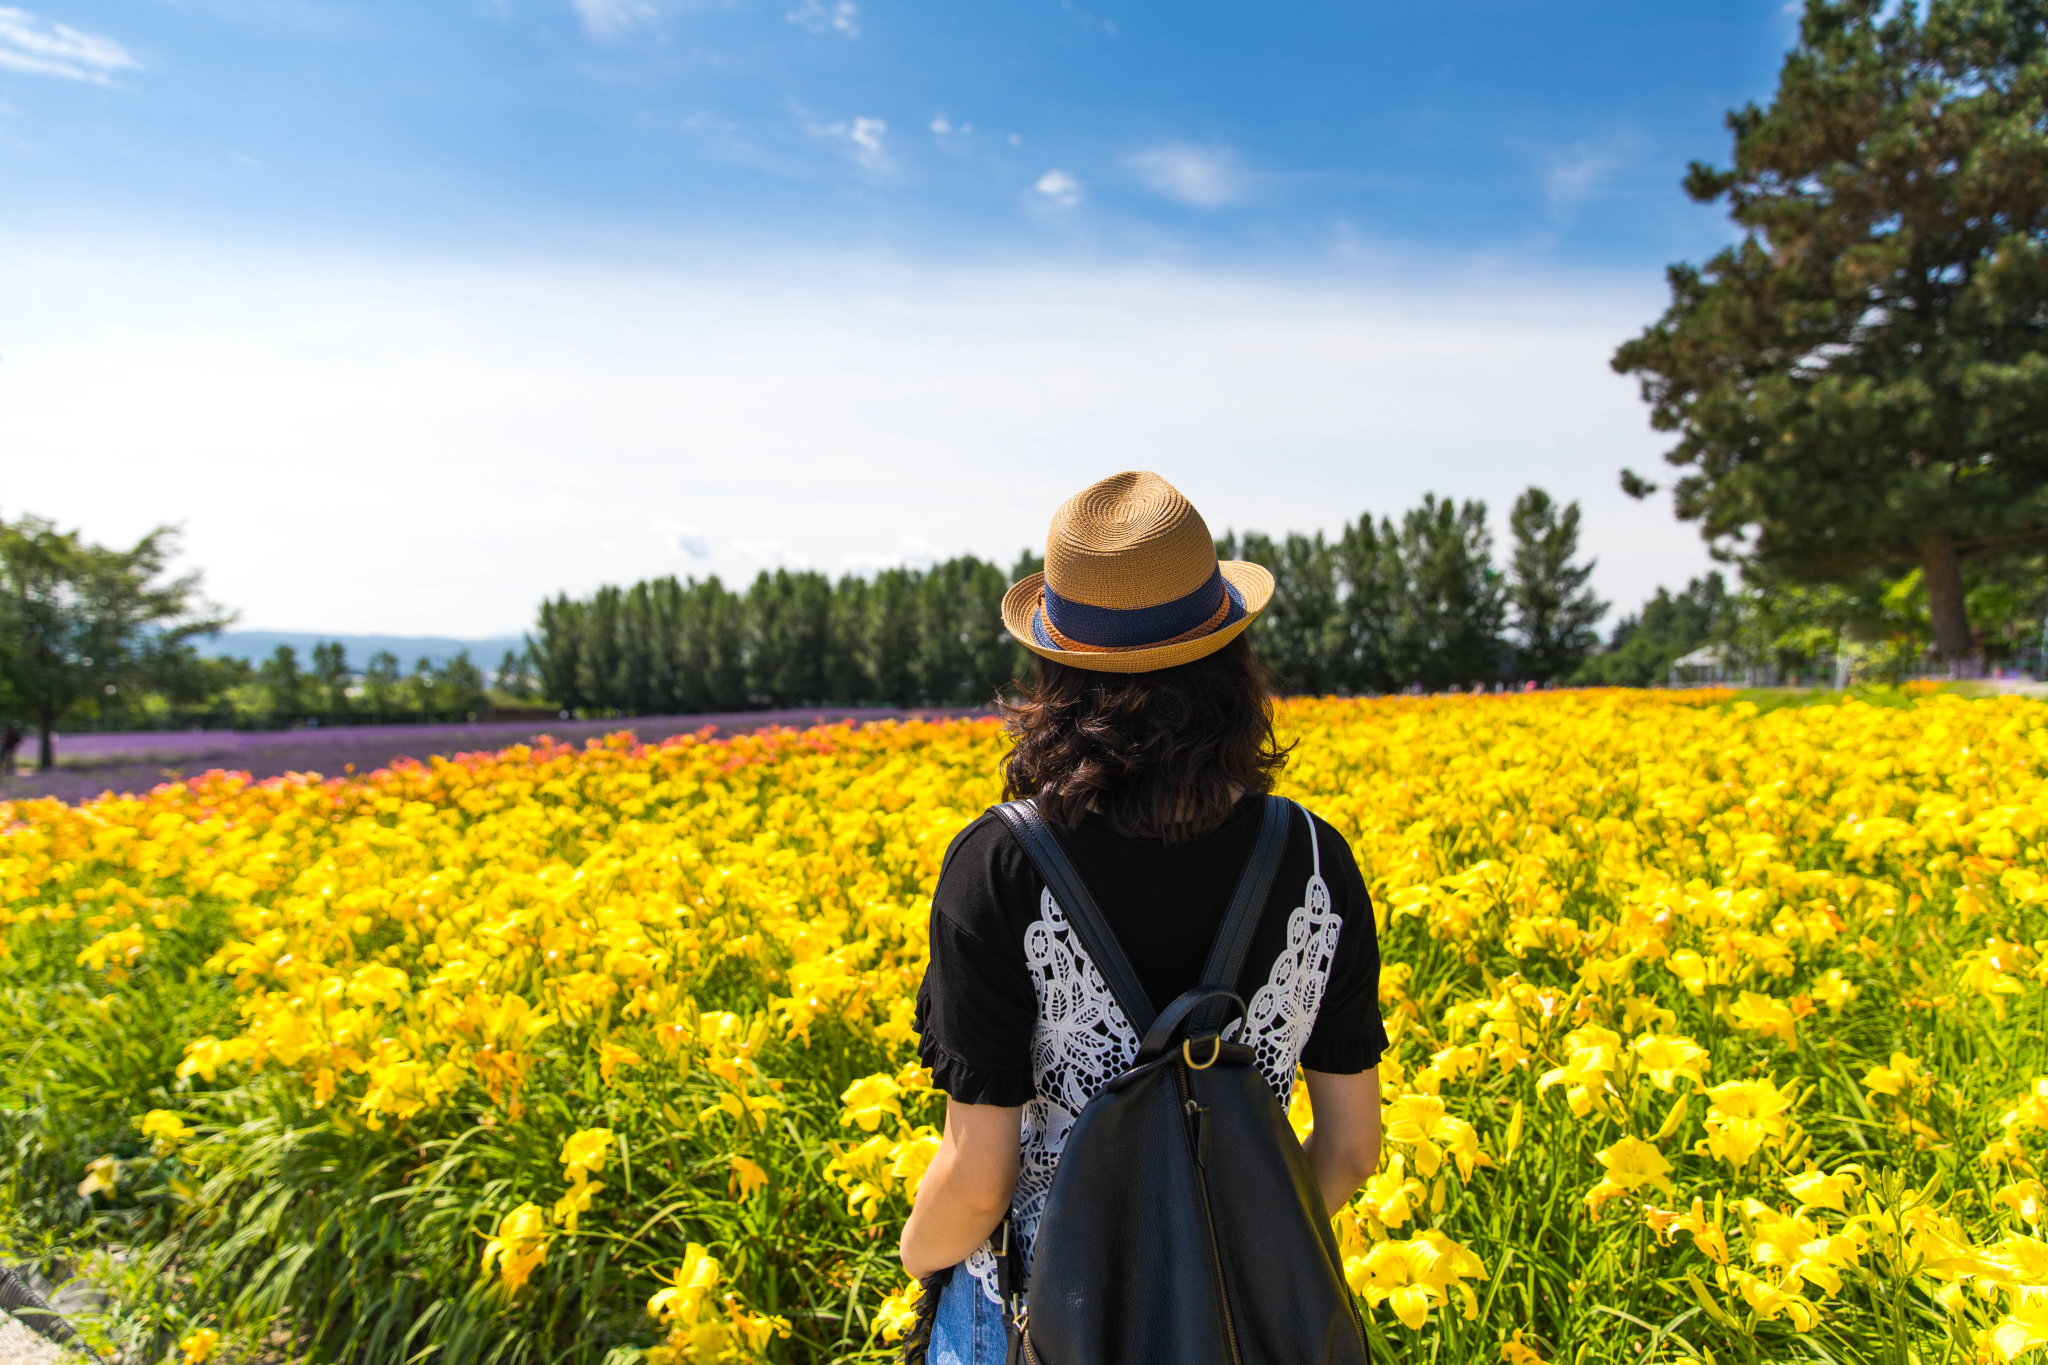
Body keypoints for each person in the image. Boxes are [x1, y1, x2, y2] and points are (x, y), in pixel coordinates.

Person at [900, 471, 1388, 1363]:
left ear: (1054, 670)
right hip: (1246, 1322)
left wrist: (914, 1258)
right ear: (1233, 662)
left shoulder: (999, 864)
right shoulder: (1317, 859)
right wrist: (1222, 1244)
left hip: (1042, 1317)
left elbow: (978, 1181)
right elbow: (1353, 1149)